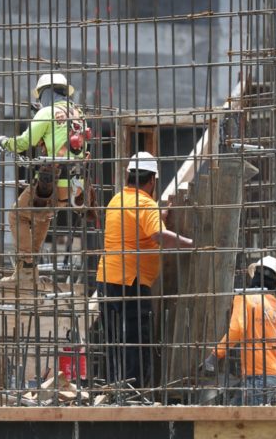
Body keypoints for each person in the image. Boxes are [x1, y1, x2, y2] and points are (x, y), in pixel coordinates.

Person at [96, 151, 193, 388]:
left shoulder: (116, 200)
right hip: (132, 283)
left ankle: (112, 389)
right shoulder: (146, 203)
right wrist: (192, 244)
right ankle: (134, 392)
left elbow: (134, 225)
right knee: (137, 341)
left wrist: (159, 215)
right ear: (152, 181)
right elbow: (158, 235)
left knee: (112, 340)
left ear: (128, 175)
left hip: (106, 278)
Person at [0, 72, 92, 289]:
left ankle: (27, 270)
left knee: (17, 215)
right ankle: (28, 271)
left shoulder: (47, 112)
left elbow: (22, 143)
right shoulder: (79, 113)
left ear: (44, 93)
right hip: (74, 185)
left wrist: (4, 142)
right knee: (41, 217)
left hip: (51, 182)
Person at [203, 256, 276, 405]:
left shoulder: (245, 297)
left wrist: (215, 355)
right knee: (235, 416)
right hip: (275, 372)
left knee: (248, 424)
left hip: (258, 374)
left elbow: (236, 329)